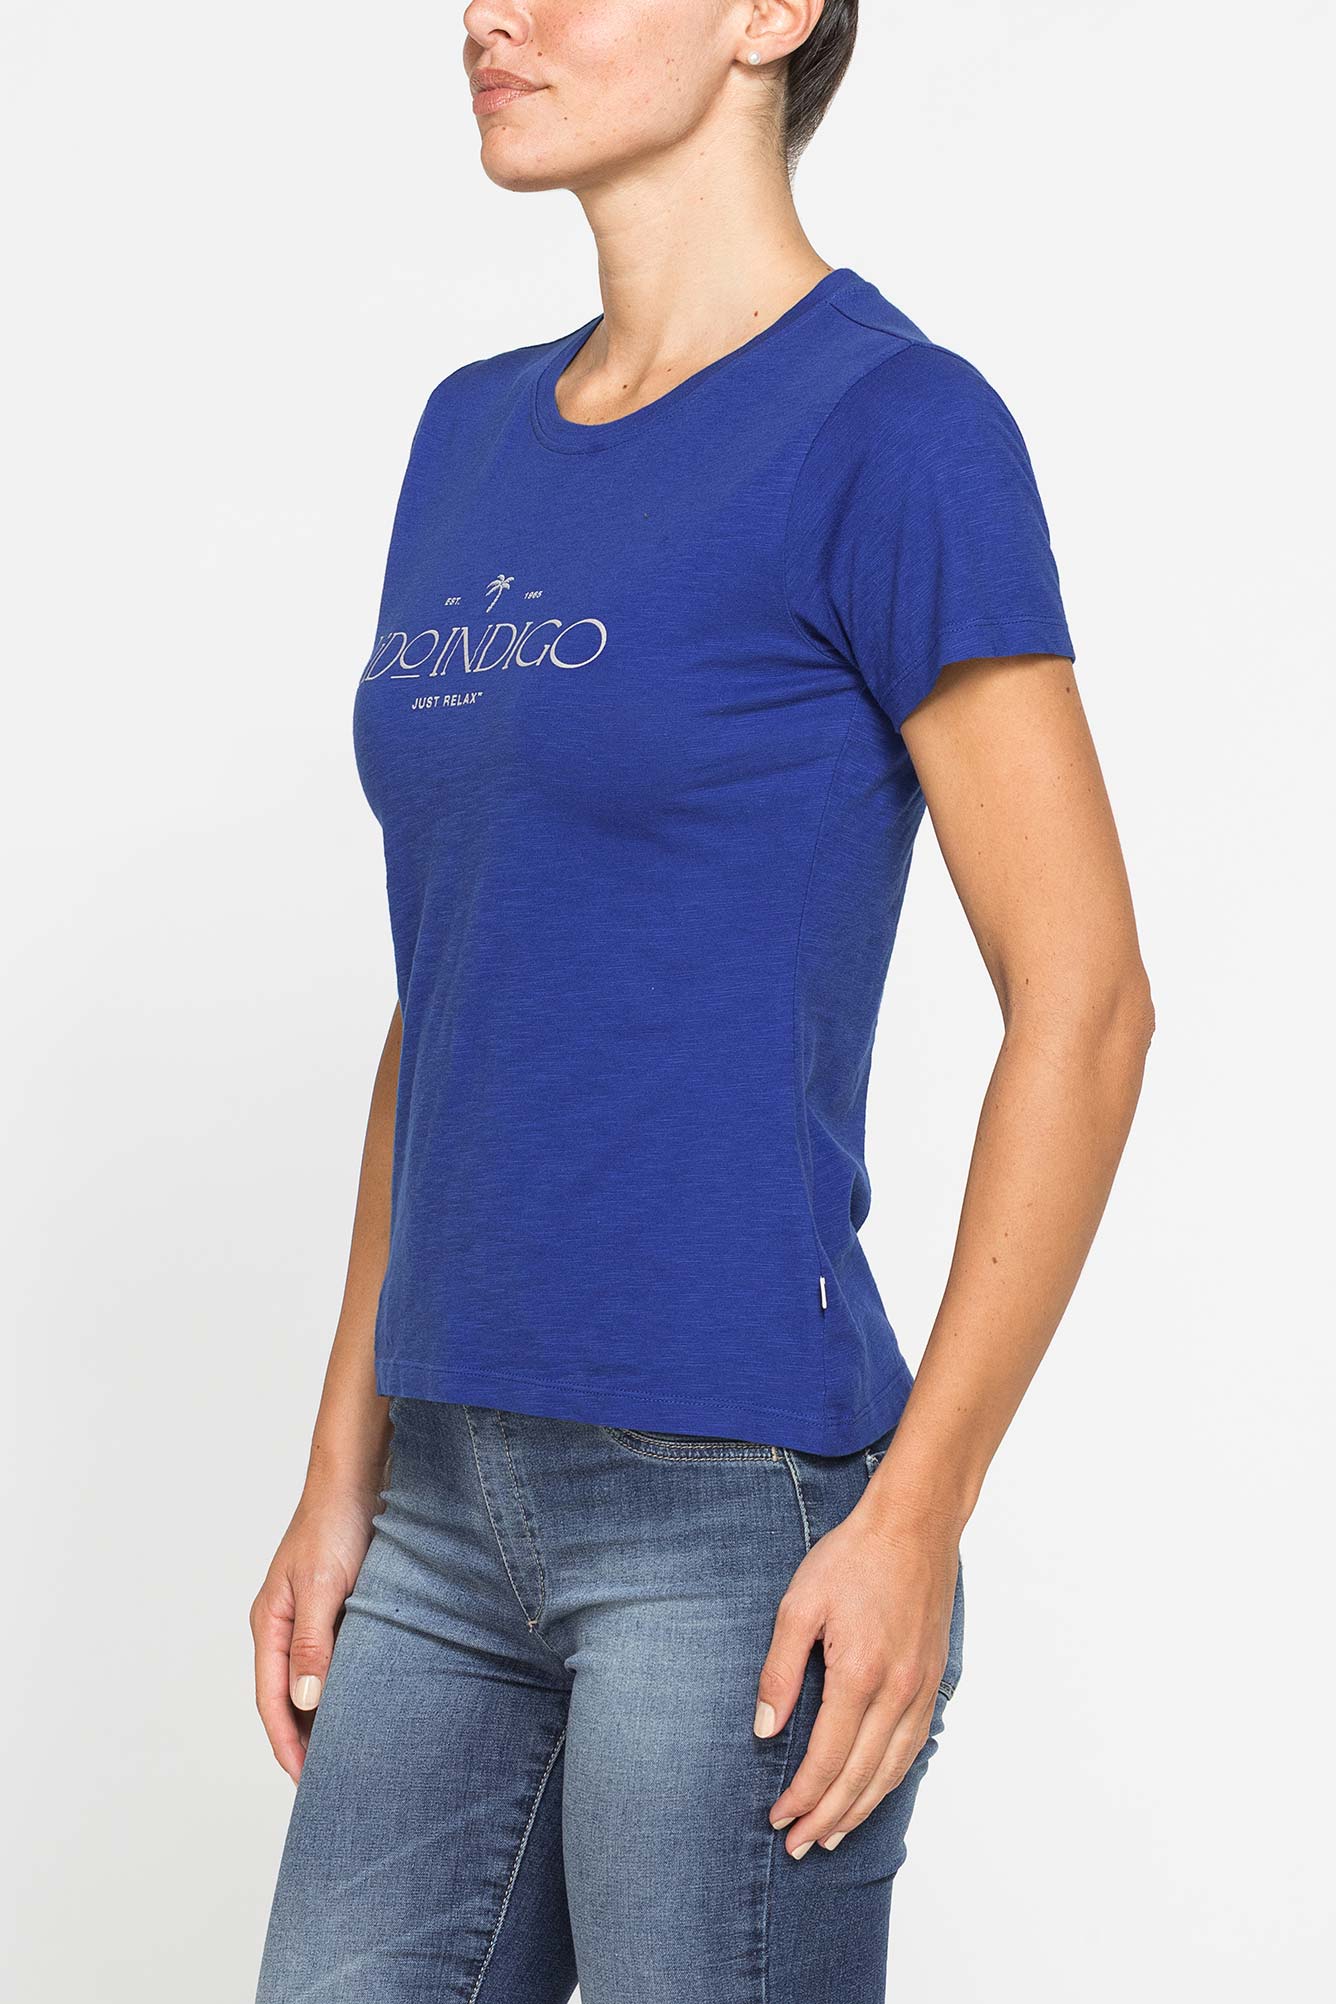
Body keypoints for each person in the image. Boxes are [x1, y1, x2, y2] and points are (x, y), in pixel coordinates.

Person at [250, 4, 1154, 1998]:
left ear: (770, 13)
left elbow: (1085, 1002)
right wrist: (341, 1470)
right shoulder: (467, 437)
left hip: (731, 1513)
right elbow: (453, 980)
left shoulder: (894, 430)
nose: (490, 15)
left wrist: (915, 1515)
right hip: (438, 1494)